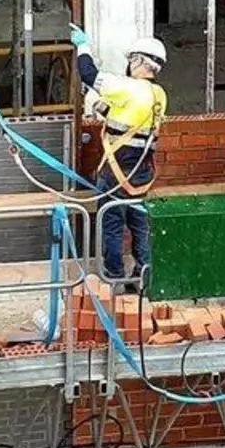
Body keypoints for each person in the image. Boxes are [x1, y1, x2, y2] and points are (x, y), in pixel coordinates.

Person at [70, 24, 169, 284]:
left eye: (131, 59)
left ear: (139, 61)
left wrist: (82, 46)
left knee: (112, 223)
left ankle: (115, 277)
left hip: (116, 172)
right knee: (139, 222)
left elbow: (88, 73)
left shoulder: (127, 87)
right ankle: (144, 275)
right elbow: (126, 119)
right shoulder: (158, 95)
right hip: (141, 172)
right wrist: (99, 105)